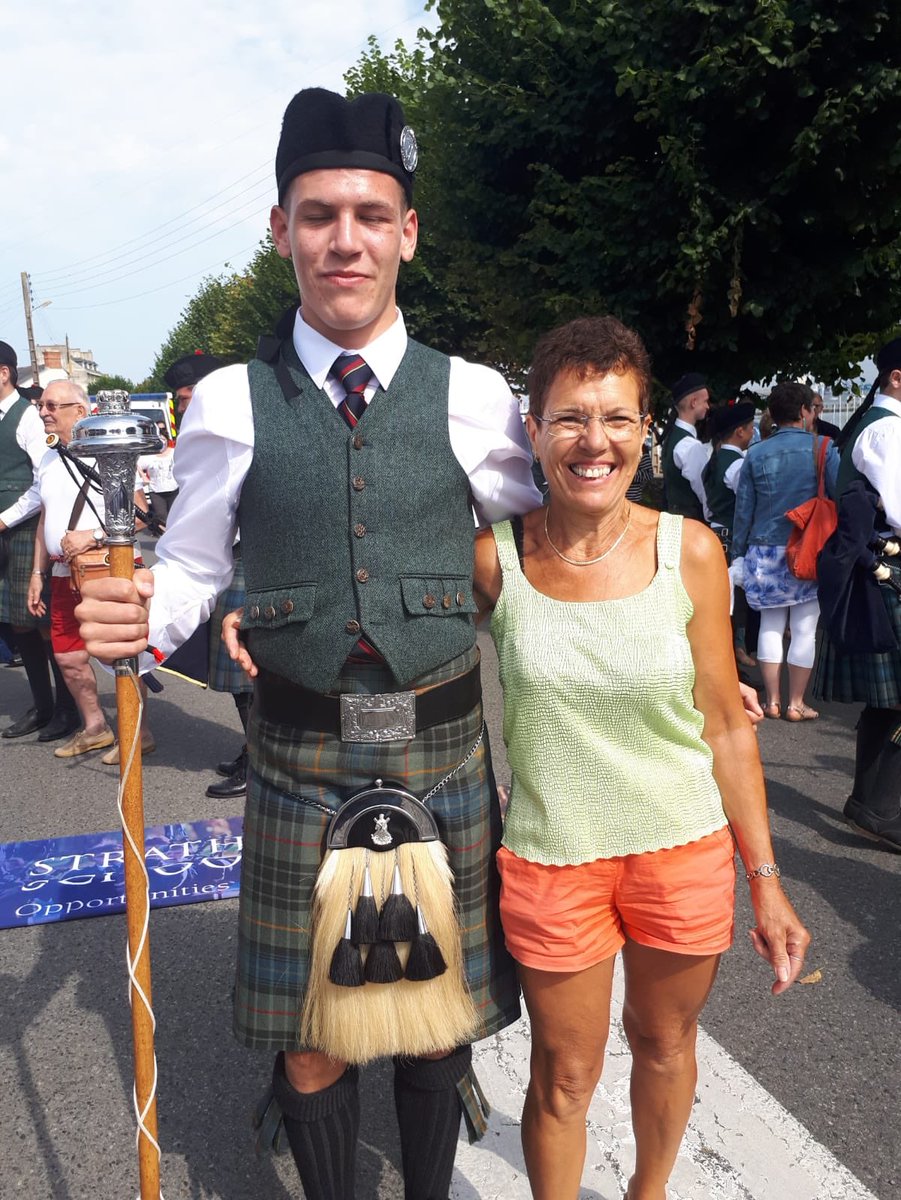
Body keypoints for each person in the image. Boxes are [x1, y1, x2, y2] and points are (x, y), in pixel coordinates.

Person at [77, 86, 541, 1199]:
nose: (346, 240)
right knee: (315, 1036)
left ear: (407, 234)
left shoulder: (479, 398)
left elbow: (541, 553)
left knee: (439, 1027)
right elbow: (188, 565)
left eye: (371, 215)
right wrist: (140, 622)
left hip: (442, 747)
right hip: (297, 754)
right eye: (319, 214)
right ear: (280, 230)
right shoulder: (232, 400)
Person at [470, 315, 809, 1200]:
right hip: (552, 859)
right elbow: (389, 632)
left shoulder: (688, 551)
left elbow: (727, 727)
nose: (595, 442)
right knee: (564, 1078)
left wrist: (765, 880)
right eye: (570, 418)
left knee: (664, 1046)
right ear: (534, 428)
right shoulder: (492, 561)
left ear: (645, 426)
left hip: (681, 851)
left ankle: (646, 1193)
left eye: (617, 418)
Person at [23, 380, 154, 761]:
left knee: (120, 653)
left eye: (52, 405)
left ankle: (137, 732)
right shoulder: (47, 455)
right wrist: (37, 572)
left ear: (79, 412)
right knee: (67, 656)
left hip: (106, 568)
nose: (43, 412)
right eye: (42, 406)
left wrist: (93, 535)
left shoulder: (106, 450)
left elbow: (141, 515)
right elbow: (44, 516)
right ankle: (95, 727)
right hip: (65, 574)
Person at [813, 337, 901, 851]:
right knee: (893, 702)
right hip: (885, 568)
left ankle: (871, 803)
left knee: (887, 702)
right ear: (895, 377)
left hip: (879, 567)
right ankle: (877, 807)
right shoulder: (888, 428)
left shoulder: (879, 424)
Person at [162, 349, 251, 799]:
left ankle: (261, 761)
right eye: (178, 399)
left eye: (188, 395)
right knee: (240, 681)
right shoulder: (204, 433)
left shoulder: (248, 424)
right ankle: (254, 751)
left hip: (255, 561)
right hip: (228, 562)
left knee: (251, 676)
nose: (182, 406)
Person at [732, 381, 839, 721]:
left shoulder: (755, 454)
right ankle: (796, 703)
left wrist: (738, 552)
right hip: (809, 550)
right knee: (806, 629)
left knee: (770, 627)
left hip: (764, 552)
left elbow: (743, 510)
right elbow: (837, 498)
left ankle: (772, 701)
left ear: (773, 415)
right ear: (806, 411)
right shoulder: (824, 448)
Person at [0, 340, 73, 738]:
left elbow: (39, 487)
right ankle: (42, 706)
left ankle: (66, 709)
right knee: (18, 625)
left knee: (41, 624)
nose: (48, 413)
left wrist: (3, 520)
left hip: (26, 531)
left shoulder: (28, 419)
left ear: (4, 372)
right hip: (7, 533)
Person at [703, 401, 758, 667]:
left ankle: (733, 656)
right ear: (740, 431)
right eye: (751, 428)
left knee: (723, 600)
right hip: (730, 538)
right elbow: (749, 501)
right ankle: (734, 655)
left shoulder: (714, 460)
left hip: (715, 533)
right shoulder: (735, 465)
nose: (753, 432)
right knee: (732, 604)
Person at [661, 372, 710, 520]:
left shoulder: (671, 438)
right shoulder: (690, 446)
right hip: (692, 525)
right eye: (705, 401)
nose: (708, 406)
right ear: (693, 402)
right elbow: (706, 494)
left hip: (673, 520)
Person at [137, 421, 177, 527]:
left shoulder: (174, 452)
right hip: (156, 491)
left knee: (175, 515)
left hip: (174, 489)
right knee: (161, 516)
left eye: (164, 440)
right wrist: (143, 476)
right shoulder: (150, 456)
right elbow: (136, 464)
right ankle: (164, 537)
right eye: (160, 440)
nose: (162, 442)